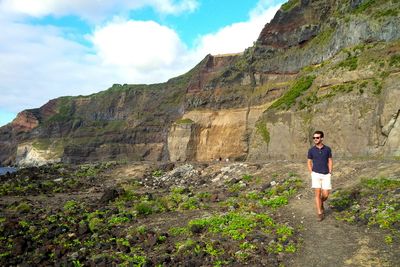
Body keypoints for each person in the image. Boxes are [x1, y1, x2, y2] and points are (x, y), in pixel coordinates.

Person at [307, 130, 333, 221]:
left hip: (326, 174)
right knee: (317, 194)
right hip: (316, 174)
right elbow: (309, 161)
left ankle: (321, 203)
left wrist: (330, 171)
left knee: (325, 194)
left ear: (321, 138)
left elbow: (330, 160)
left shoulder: (327, 149)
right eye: (314, 138)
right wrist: (311, 172)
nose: (315, 139)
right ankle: (319, 213)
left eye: (317, 137)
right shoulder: (311, 150)